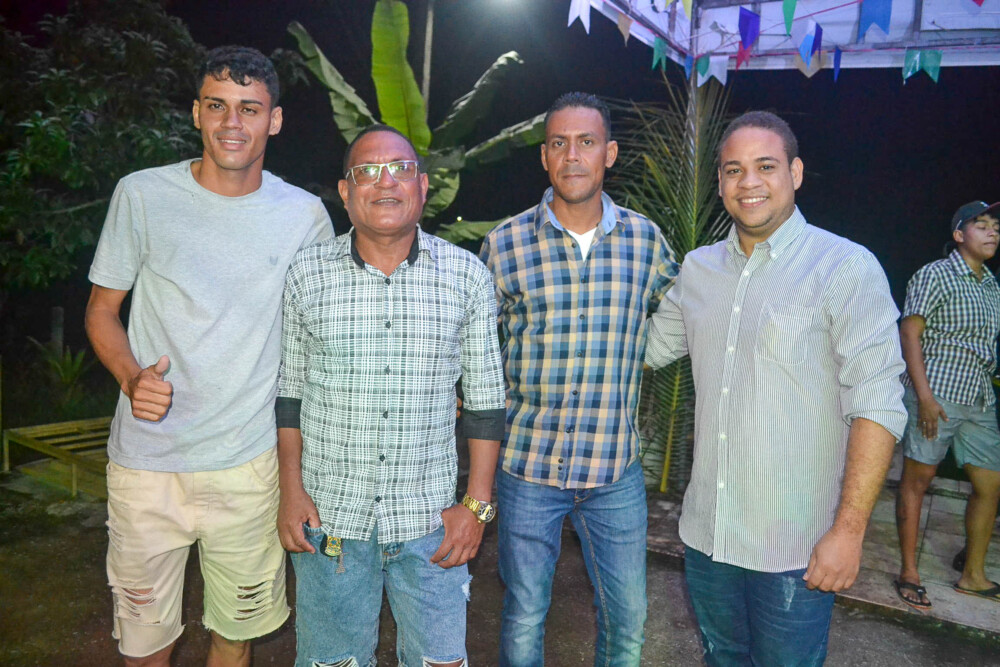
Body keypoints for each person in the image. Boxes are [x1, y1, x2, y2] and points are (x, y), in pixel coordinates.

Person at [85, 46, 332, 667]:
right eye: (217, 106)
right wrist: (130, 376)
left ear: (274, 120)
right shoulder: (142, 195)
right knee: (146, 643)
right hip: (147, 465)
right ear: (197, 113)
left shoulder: (304, 215)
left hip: (248, 466)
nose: (232, 123)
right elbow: (101, 311)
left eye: (250, 108)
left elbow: (323, 336)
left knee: (234, 636)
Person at [645, 110, 907, 666]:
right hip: (708, 536)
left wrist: (849, 532)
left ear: (796, 172)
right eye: (733, 170)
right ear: (720, 183)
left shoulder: (846, 267)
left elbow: (878, 407)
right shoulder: (699, 269)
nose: (749, 182)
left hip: (794, 547)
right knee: (722, 658)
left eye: (765, 166)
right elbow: (642, 349)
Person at [275, 124, 506, 667]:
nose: (385, 182)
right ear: (345, 191)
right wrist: (290, 491)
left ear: (422, 186)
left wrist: (476, 507)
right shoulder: (307, 274)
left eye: (400, 169)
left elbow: (485, 402)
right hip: (329, 520)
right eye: (367, 171)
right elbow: (290, 395)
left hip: (430, 523)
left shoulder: (467, 277)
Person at [479, 92, 678, 666]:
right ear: (544, 156)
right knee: (523, 615)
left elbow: (689, 313)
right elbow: (476, 347)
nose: (572, 155)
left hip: (614, 469)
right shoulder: (505, 244)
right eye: (559, 143)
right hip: (527, 467)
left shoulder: (646, 241)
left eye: (586, 142)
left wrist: (642, 355)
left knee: (628, 620)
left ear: (608, 154)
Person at [894, 200, 1000, 610]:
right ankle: (909, 572)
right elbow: (910, 334)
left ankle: (972, 575)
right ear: (959, 235)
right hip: (937, 392)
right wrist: (923, 397)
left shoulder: (991, 286)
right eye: (981, 225)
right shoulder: (935, 274)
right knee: (917, 481)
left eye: (995, 226)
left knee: (990, 485)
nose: (992, 232)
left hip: (979, 398)